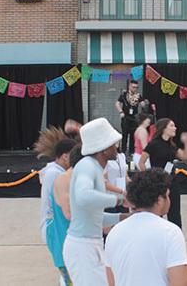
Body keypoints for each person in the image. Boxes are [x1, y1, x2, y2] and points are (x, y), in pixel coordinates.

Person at [62, 118, 130, 286]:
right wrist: (120, 199)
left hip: (89, 244)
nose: (116, 147)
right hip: (83, 247)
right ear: (103, 148)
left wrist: (123, 217)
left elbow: (96, 217)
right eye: (113, 144)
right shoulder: (87, 166)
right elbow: (83, 196)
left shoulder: (94, 167)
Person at [105, 169, 187, 286]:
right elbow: (180, 283)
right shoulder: (170, 232)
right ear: (159, 200)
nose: (169, 200)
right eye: (167, 196)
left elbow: (111, 281)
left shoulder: (114, 232)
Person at [139, 118, 187, 228]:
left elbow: (185, 156)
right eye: (172, 126)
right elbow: (141, 163)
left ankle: (176, 236)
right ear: (164, 128)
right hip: (158, 183)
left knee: (175, 213)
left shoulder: (172, 145)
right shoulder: (153, 144)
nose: (175, 128)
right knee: (158, 212)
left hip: (172, 182)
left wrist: (186, 142)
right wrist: (149, 178)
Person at [47, 144, 83, 286]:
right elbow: (69, 213)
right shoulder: (62, 179)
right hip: (63, 239)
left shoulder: (73, 179)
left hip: (67, 240)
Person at [34, 126, 76, 242]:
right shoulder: (54, 174)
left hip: (57, 224)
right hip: (53, 226)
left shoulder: (54, 171)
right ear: (65, 156)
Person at [115, 80, 144, 156]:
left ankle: (131, 151)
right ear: (129, 86)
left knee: (133, 135)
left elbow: (142, 103)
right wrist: (121, 112)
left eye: (136, 87)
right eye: (133, 87)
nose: (135, 89)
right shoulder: (124, 95)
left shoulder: (138, 95)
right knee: (124, 135)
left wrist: (144, 104)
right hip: (126, 117)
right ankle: (123, 151)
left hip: (134, 118)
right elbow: (117, 103)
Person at [104, 148, 129, 214]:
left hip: (123, 196)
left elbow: (125, 176)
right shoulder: (104, 158)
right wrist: (121, 191)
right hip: (110, 196)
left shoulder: (122, 156)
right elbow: (104, 182)